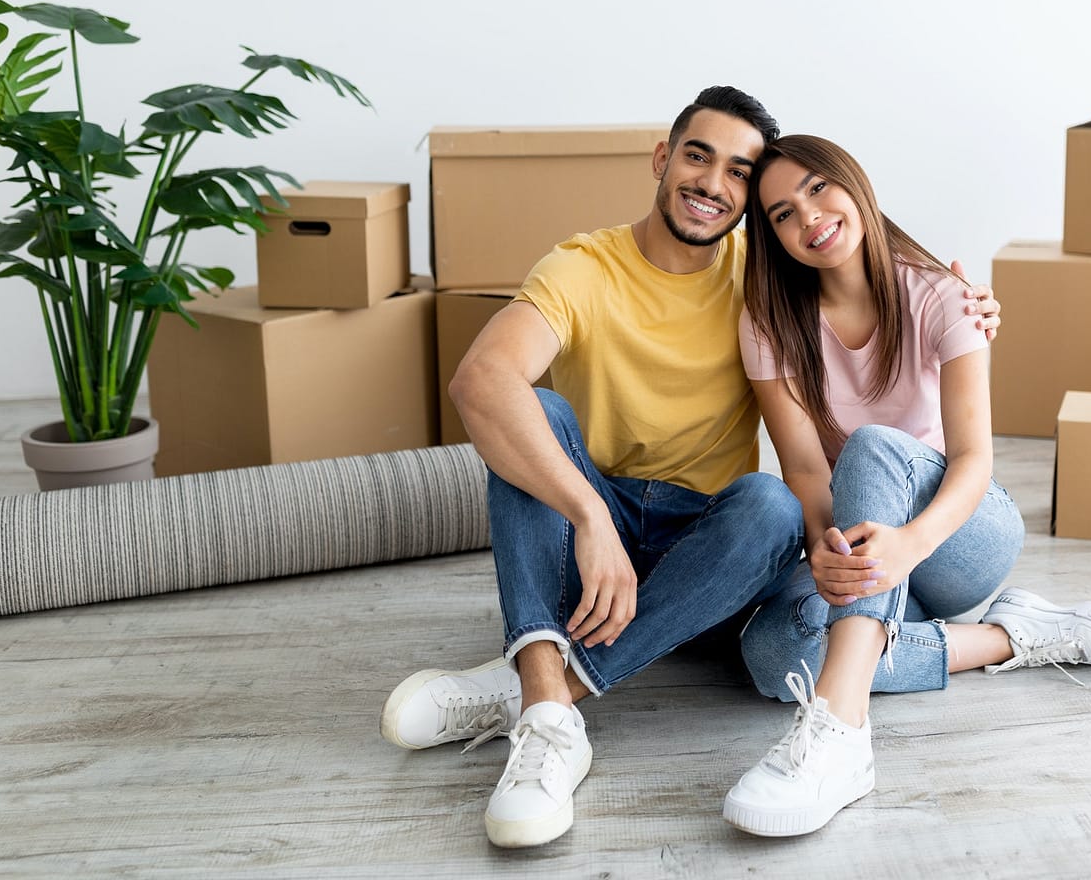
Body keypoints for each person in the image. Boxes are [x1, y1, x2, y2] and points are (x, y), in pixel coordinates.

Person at [376, 89, 1000, 849]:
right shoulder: (595, 268)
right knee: (533, 414)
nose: (713, 184)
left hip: (743, 550)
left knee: (782, 498)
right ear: (662, 159)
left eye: (739, 172)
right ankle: (549, 719)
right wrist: (588, 515)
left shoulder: (773, 274)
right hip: (599, 549)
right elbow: (480, 381)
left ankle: (541, 685)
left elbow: (922, 389)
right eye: (698, 156)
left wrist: (970, 308)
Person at [724, 134, 1091, 838]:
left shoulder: (943, 296)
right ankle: (1012, 638)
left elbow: (975, 458)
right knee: (771, 655)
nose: (809, 218)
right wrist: (830, 552)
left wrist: (909, 543)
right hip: (871, 554)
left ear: (854, 183)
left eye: (819, 188)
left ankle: (842, 731)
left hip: (959, 535)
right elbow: (801, 468)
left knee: (872, 447)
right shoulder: (768, 323)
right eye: (782, 214)